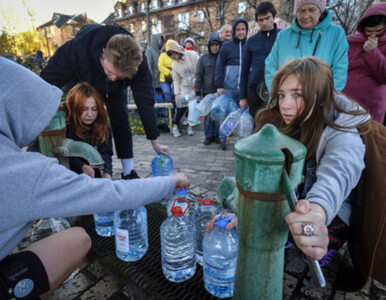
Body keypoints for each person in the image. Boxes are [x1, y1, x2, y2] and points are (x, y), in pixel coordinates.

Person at [0, 57, 190, 299]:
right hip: (87, 187)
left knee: (78, 237)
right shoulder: (24, 172)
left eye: (93, 109)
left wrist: (106, 173)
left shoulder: (100, 126)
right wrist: (171, 181)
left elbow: (104, 153)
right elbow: (113, 195)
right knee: (79, 238)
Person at [208, 57, 370, 266]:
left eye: (298, 95)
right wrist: (246, 211)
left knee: (309, 251)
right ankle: (284, 231)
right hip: (293, 195)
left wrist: (315, 214)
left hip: (332, 211)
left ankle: (329, 238)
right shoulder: (278, 121)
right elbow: (266, 180)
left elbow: (337, 176)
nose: (285, 105)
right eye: (282, 95)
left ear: (320, 96)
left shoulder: (344, 134)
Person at [40, 24, 169, 181]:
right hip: (82, 78)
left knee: (120, 119)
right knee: (79, 117)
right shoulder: (78, 49)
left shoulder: (138, 64)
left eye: (120, 76)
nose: (113, 78)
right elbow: (46, 82)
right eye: (111, 72)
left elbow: (145, 100)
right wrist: (38, 115)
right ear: (104, 53)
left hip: (114, 91)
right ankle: (78, 166)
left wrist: (153, 139)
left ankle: (128, 171)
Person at [265, 0, 348, 93]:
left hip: (320, 101)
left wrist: (325, 100)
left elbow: (339, 72)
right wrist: (278, 95)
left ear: (321, 10)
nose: (305, 16)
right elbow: (270, 67)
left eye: (312, 10)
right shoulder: (283, 35)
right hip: (286, 101)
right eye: (301, 10)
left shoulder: (336, 34)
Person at [342, 2, 386, 124]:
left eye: (378, 31)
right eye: (368, 31)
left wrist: (372, 52)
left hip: (371, 107)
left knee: (367, 140)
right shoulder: (350, 41)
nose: (372, 35)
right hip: (344, 103)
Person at [60, 82, 113, 180]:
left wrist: (107, 173)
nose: (90, 114)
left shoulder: (102, 125)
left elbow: (106, 153)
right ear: (74, 107)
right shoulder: (63, 124)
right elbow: (61, 155)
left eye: (94, 109)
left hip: (94, 176)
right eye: (84, 109)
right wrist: (81, 167)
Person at [239, 1, 281, 119]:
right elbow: (244, 70)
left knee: (276, 124)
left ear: (274, 16)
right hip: (254, 90)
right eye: (260, 20)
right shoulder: (251, 41)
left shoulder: (282, 36)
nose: (264, 23)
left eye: (267, 18)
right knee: (257, 125)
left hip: (277, 88)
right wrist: (242, 96)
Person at [215, 18, 248, 149]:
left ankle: (241, 143)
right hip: (228, 88)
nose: (240, 32)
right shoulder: (226, 46)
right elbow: (219, 66)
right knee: (224, 115)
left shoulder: (249, 44)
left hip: (243, 89)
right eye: (238, 30)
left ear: (246, 30)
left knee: (243, 117)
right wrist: (219, 85)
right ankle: (222, 139)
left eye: (243, 29)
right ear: (234, 31)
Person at [195, 32, 223, 145]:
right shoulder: (203, 59)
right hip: (207, 91)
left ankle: (216, 135)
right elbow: (199, 75)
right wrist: (198, 91)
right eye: (212, 45)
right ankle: (208, 136)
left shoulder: (223, 57)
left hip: (219, 92)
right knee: (207, 116)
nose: (215, 47)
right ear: (209, 46)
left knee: (216, 115)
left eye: (217, 45)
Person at [167, 41, 198, 137]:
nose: (174, 58)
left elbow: (200, 69)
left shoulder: (191, 55)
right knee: (182, 107)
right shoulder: (174, 65)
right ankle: (175, 126)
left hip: (195, 84)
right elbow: (176, 80)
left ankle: (189, 125)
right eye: (171, 57)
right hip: (184, 87)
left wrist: (197, 84)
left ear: (177, 51)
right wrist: (177, 94)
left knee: (192, 108)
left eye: (174, 55)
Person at [158, 39, 175, 103]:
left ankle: (175, 111)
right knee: (168, 96)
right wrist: (168, 72)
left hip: (174, 79)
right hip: (164, 80)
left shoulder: (175, 55)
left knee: (174, 96)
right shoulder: (162, 55)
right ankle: (168, 111)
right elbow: (160, 66)